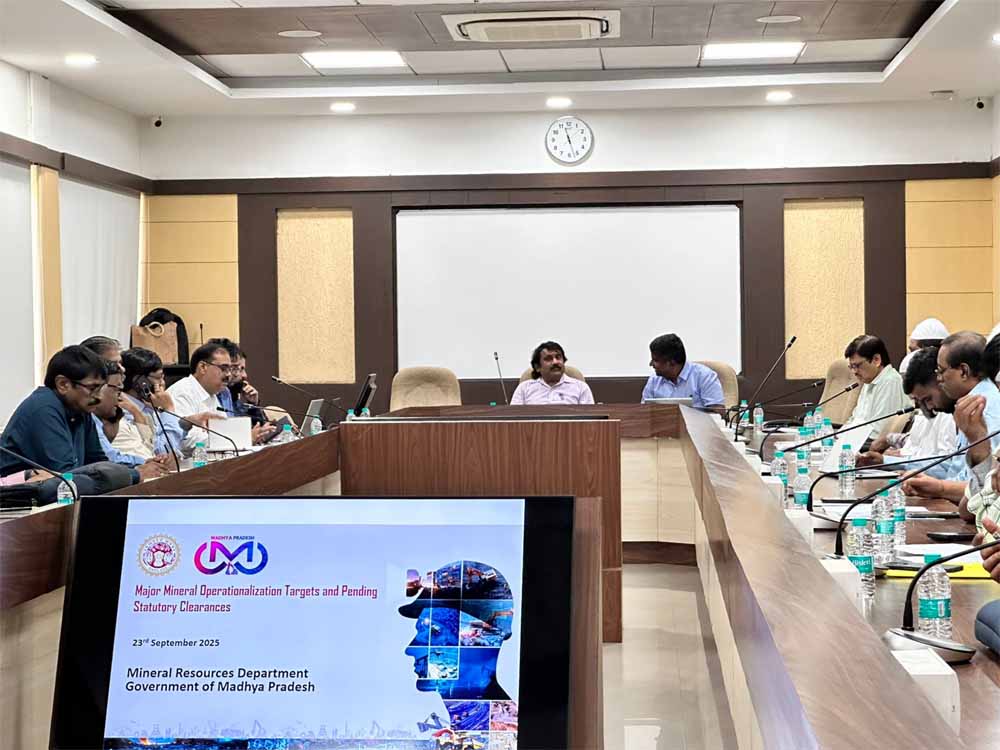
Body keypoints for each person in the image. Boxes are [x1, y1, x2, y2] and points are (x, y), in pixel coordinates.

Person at [400, 559, 515, 712]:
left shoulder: (504, 722)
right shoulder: (499, 720)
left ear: (482, 638)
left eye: (435, 632)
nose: (410, 650)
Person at [904, 331, 1000, 503]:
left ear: (963, 371)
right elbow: (961, 472)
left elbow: (987, 488)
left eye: (941, 371)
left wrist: (942, 488)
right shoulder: (968, 404)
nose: (938, 379)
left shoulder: (984, 408)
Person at [0, 346, 120, 479]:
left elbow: (98, 463)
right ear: (63, 384)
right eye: (92, 388)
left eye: (101, 388)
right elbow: (65, 476)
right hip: (17, 491)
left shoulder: (80, 408)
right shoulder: (43, 408)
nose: (100, 397)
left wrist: (130, 473)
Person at [857, 347, 958, 479]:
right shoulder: (925, 407)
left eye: (926, 399)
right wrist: (891, 447)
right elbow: (915, 442)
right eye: (916, 400)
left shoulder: (947, 413)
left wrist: (890, 461)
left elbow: (945, 467)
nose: (925, 405)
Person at [90, 364, 171, 480]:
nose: (162, 383)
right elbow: (107, 460)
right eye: (118, 390)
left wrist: (146, 461)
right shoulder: (102, 416)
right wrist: (169, 409)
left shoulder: (136, 410)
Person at [117, 347, 185, 462]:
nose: (162, 383)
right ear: (140, 381)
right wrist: (168, 410)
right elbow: (162, 453)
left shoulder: (150, 406)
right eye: (158, 378)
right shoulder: (125, 410)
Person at [166, 342, 234, 452]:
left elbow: (223, 431)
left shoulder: (211, 394)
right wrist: (231, 440)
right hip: (185, 460)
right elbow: (185, 441)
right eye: (224, 368)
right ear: (203, 367)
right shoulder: (182, 392)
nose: (229, 375)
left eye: (230, 369)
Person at [841, 334, 908, 443]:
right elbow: (854, 419)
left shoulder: (890, 382)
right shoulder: (869, 381)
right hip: (856, 442)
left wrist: (845, 439)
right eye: (851, 367)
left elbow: (878, 432)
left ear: (876, 360)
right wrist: (838, 436)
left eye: (857, 366)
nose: (854, 372)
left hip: (871, 447)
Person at [641, 333, 724, 410]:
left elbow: (718, 413)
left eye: (655, 360)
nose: (651, 364)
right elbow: (643, 412)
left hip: (697, 422)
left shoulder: (704, 376)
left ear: (672, 362)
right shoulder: (654, 380)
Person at [509, 341, 594, 405]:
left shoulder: (580, 388)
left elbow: (590, 419)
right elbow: (513, 418)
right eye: (548, 359)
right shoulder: (524, 388)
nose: (555, 362)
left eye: (558, 357)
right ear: (537, 367)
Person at [206, 337, 265, 425]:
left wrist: (253, 405)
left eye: (241, 369)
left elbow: (256, 426)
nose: (244, 375)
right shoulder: (202, 394)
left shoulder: (227, 394)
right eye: (235, 368)